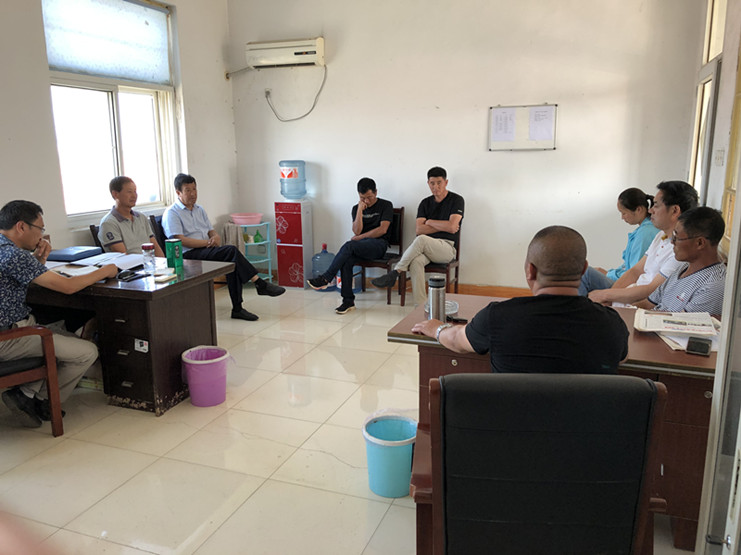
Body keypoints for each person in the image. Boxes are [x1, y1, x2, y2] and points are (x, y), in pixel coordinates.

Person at [411, 225, 628, 373]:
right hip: (583, 430)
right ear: (584, 270)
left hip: (510, 428)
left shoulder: (498, 317)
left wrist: (436, 328)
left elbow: (457, 340)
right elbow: (622, 357)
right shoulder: (612, 325)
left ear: (530, 271)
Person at [0, 200, 119, 428]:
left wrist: (39, 261)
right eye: (40, 229)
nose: (41, 236)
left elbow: (15, 280)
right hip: (8, 338)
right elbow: (68, 286)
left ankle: (26, 393)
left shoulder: (6, 251)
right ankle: (41, 399)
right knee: (86, 352)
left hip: (15, 327)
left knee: (65, 335)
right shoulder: (13, 255)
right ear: (21, 227)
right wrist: (106, 270)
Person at [162, 173, 285, 321]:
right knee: (231, 251)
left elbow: (211, 231)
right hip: (188, 255)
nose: (193, 193)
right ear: (178, 192)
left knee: (232, 262)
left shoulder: (199, 209)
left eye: (194, 189)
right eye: (188, 190)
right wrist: (207, 243)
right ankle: (259, 284)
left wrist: (215, 237)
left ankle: (238, 309)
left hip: (205, 250)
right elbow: (179, 240)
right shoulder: (172, 213)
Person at [588, 180, 699, 306]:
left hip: (639, 306)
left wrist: (605, 296)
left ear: (674, 211)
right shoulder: (660, 235)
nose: (650, 210)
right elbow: (635, 271)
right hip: (627, 298)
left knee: (587, 277)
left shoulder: (681, 250)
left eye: (656, 205)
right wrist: (607, 298)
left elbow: (652, 291)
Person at [372, 166, 463, 306]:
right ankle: (421, 306)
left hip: (446, 248)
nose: (435, 186)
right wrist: (443, 225)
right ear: (428, 183)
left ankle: (395, 272)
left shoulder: (456, 200)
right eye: (432, 183)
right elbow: (419, 229)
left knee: (421, 239)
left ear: (446, 182)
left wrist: (430, 222)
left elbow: (452, 227)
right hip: (426, 249)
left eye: (439, 182)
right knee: (416, 262)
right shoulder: (425, 203)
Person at [307, 178, 393, 314]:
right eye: (362, 198)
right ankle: (348, 301)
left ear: (376, 192)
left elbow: (382, 230)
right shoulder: (356, 208)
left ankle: (326, 278)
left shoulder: (386, 205)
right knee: (346, 260)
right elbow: (357, 231)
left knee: (349, 245)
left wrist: (360, 238)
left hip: (379, 245)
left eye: (369, 197)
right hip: (361, 246)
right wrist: (359, 210)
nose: (366, 201)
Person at [643, 206, 726, 314]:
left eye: (677, 238)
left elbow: (679, 322)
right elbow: (648, 304)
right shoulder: (684, 268)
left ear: (700, 243)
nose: (672, 242)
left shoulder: (713, 286)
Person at [578, 187, 658, 295]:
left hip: (627, 285)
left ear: (639, 209)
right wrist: (608, 273)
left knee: (585, 273)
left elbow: (634, 273)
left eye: (624, 213)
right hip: (623, 278)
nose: (622, 217)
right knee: (592, 271)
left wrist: (608, 276)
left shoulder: (645, 233)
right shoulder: (644, 230)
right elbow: (628, 268)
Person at [98, 176, 165, 256]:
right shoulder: (108, 223)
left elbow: (155, 247)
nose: (134, 196)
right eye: (129, 192)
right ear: (115, 194)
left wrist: (164, 262)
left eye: (135, 191)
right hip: (130, 263)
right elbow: (123, 257)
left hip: (150, 261)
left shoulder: (141, 217)